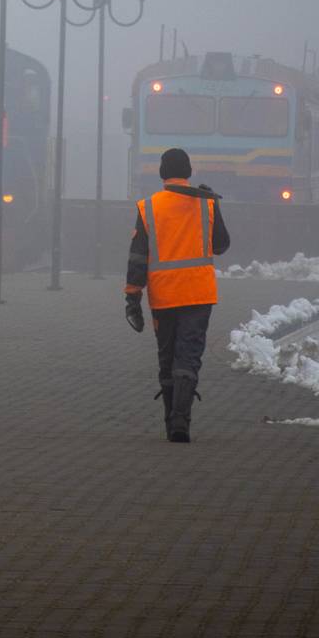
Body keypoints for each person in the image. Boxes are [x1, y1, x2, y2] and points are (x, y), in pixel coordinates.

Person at [124, 147, 230, 443]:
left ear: (162, 173)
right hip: (198, 294)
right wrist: (214, 206)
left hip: (164, 295)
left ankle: (170, 419)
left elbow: (137, 258)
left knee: (167, 357)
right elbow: (221, 245)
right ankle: (181, 420)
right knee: (189, 356)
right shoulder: (206, 204)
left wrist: (132, 297)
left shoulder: (148, 207)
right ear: (189, 173)